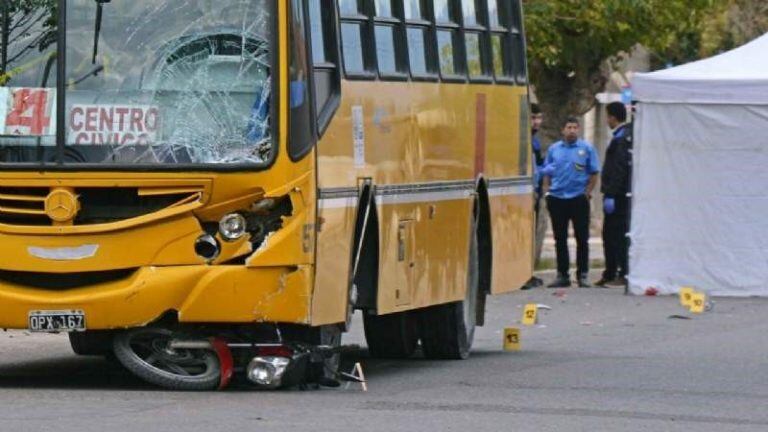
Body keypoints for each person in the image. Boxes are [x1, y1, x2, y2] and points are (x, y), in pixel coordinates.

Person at [543, 117, 600, 288]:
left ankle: (582, 274)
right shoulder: (554, 149)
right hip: (558, 198)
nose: (572, 130)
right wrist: (547, 191)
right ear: (563, 130)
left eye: (575, 127)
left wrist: (587, 192)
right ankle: (562, 275)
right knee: (560, 238)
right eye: (569, 127)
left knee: (582, 238)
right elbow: (547, 171)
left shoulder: (587, 148)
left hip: (578, 198)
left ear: (579, 129)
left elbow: (594, 172)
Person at [595, 102, 632, 287]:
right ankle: (611, 271)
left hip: (618, 196)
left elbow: (619, 169)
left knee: (615, 235)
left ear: (612, 117)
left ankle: (620, 271)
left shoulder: (621, 138)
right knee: (612, 234)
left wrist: (610, 193)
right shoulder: (623, 135)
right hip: (619, 194)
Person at [522, 103, 546, 290]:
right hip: (526, 194)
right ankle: (524, 274)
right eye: (533, 117)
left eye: (538, 118)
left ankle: (528, 272)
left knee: (531, 235)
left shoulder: (534, 141)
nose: (536, 122)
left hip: (535, 192)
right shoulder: (522, 139)